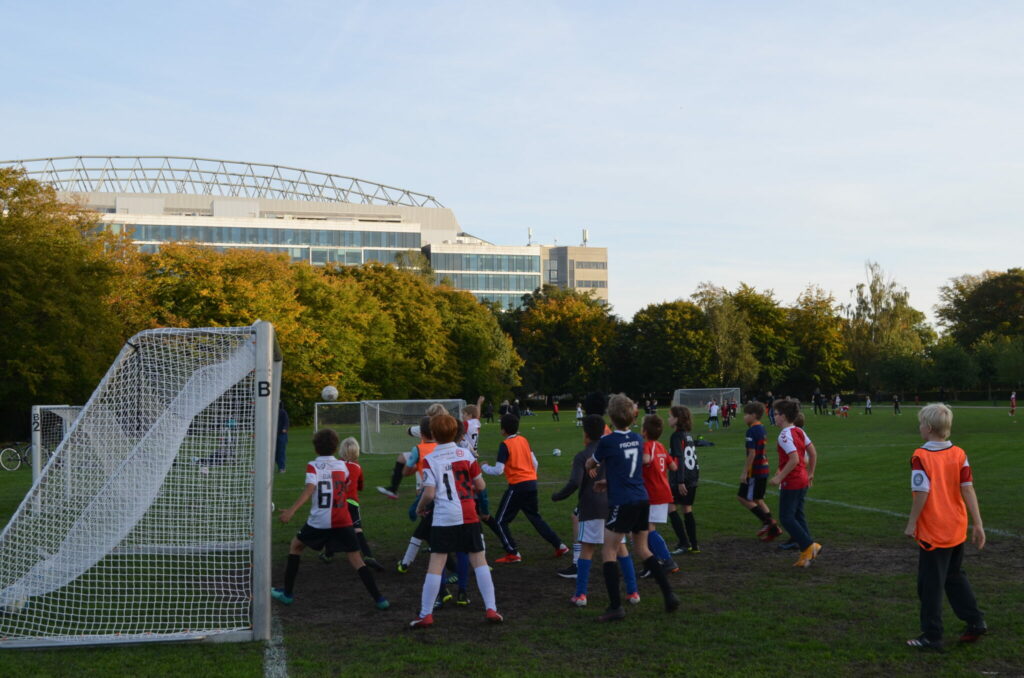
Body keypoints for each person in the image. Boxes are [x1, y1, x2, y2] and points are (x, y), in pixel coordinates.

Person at [271, 428, 389, 610]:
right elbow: (347, 483)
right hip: (343, 519)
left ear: (315, 448)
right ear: (335, 448)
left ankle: (287, 594)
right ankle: (380, 599)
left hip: (320, 520)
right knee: (357, 559)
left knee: (296, 546)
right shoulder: (342, 466)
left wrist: (291, 511)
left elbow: (310, 488)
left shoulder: (313, 465)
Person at [585, 394, 679, 621]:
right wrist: (609, 481)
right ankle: (669, 595)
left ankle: (615, 607)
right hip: (641, 499)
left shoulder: (607, 441)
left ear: (611, 416)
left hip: (623, 502)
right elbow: (629, 470)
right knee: (643, 549)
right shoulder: (638, 439)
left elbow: (591, 463)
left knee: (608, 550)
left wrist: (592, 466)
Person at [903, 403, 986, 651]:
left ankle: (932, 635)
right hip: (956, 527)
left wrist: (912, 522)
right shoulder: (959, 453)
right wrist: (978, 524)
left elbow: (922, 492)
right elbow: (967, 488)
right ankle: (975, 621)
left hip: (934, 530)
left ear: (928, 427)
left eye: (920, 423)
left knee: (930, 584)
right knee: (953, 576)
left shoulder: (921, 456)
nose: (919, 427)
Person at [409, 413, 503, 628]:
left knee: (436, 563)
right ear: (456, 432)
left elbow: (430, 493)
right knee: (479, 561)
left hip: (444, 517)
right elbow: (481, 486)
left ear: (433, 433)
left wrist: (421, 507)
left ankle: (426, 614)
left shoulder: (430, 459)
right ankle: (491, 609)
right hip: (469, 513)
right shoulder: (467, 454)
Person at [551, 414, 640, 607]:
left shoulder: (583, 456)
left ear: (585, 434)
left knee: (587, 550)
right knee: (621, 548)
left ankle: (581, 594)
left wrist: (558, 496)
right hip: (613, 505)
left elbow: (575, 482)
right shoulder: (611, 450)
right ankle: (633, 592)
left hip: (591, 506)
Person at [483, 414, 568, 563]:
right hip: (531, 484)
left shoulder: (505, 445)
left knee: (501, 521)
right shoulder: (524, 440)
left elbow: (498, 470)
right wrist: (531, 477)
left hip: (517, 486)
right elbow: (535, 463)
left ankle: (513, 552)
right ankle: (559, 545)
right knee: (535, 517)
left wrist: (484, 466)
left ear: (503, 430)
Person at [770, 400, 821, 567]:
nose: (774, 417)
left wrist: (779, 477)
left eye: (776, 414)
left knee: (786, 517)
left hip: (792, 481)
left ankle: (809, 545)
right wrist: (811, 473)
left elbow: (794, 459)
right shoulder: (799, 430)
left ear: (783, 416)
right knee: (798, 515)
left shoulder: (784, 435)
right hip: (803, 478)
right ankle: (807, 554)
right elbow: (813, 453)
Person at [320, 437, 384, 571]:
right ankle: (368, 555)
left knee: (334, 527)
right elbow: (360, 486)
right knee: (357, 529)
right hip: (352, 502)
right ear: (357, 452)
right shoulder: (357, 467)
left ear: (341, 451)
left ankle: (328, 554)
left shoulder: (335, 465)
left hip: (337, 502)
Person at [377, 403, 448, 499]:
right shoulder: (447, 425)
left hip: (427, 457)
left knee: (422, 490)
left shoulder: (427, 427)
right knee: (403, 457)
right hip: (441, 457)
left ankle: (425, 507)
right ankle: (393, 488)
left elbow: (408, 430)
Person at [640, 414, 678, 576]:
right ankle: (654, 563)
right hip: (663, 491)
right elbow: (674, 466)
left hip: (654, 493)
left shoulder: (647, 445)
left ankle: (668, 561)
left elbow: (646, 460)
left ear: (644, 431)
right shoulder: (661, 446)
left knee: (648, 529)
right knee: (646, 528)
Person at [737, 402, 781, 540]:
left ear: (754, 415)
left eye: (746, 414)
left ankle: (768, 522)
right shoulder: (762, 428)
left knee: (742, 497)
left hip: (755, 471)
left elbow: (752, 453)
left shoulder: (751, 430)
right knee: (758, 499)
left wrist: (745, 472)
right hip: (764, 467)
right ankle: (774, 529)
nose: (744, 417)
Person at [667, 405, 700, 554]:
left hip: (681, 478)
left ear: (678, 419)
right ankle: (694, 545)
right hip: (692, 476)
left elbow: (679, 458)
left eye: (671, 416)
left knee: (671, 507)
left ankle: (683, 543)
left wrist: (680, 481)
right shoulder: (688, 434)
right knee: (687, 509)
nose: (668, 419)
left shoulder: (676, 436)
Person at [275, 402, 289, 473]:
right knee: (274, 452)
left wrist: (284, 428)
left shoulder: (282, 412)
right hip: (273, 435)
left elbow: (286, 422)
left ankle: (282, 468)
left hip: (281, 435)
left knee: (281, 452)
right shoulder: (271, 412)